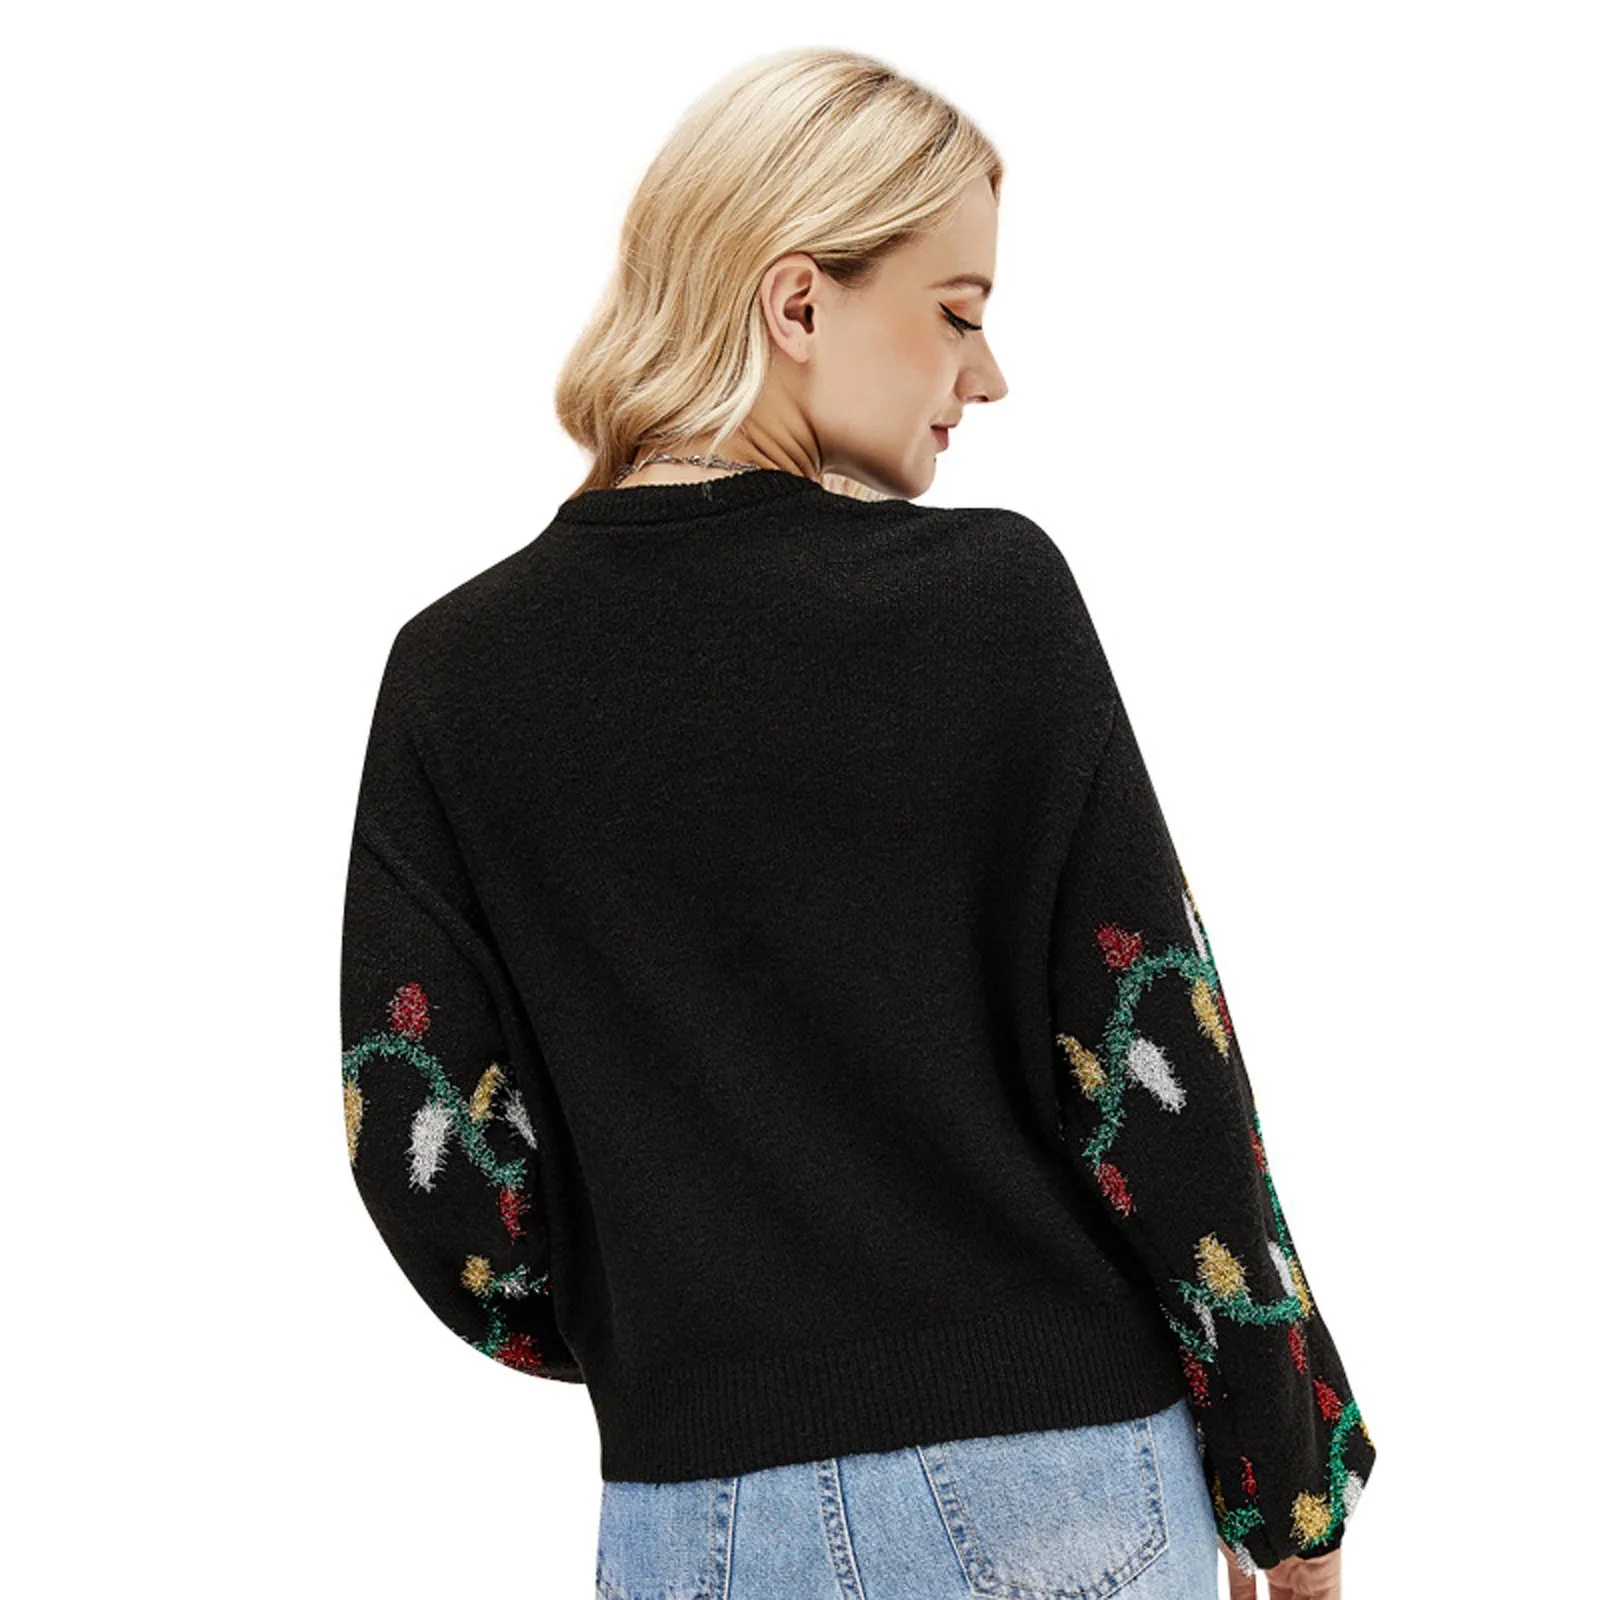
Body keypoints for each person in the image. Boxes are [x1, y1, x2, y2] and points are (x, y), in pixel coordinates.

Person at [339, 46, 1375, 1598]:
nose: (988, 373)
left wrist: (676, 1334)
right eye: (958, 310)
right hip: (1060, 1482)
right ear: (798, 303)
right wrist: (1288, 1486)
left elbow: (425, 1154)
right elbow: (1161, 1067)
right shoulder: (990, 604)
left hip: (693, 1511)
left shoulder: (455, 676)